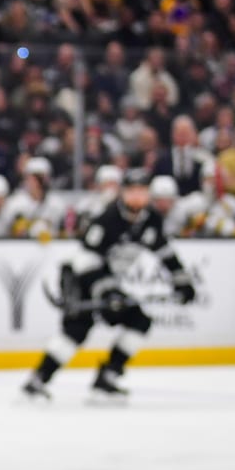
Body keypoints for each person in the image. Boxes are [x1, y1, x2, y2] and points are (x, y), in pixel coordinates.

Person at [21, 168, 197, 402]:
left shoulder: (151, 219)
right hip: (79, 279)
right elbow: (86, 261)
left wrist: (182, 282)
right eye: (132, 191)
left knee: (139, 321)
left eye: (142, 191)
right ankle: (38, 380)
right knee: (76, 331)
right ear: (123, 193)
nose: (137, 196)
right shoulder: (107, 218)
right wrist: (106, 291)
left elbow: (164, 252)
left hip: (108, 282)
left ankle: (108, 377)